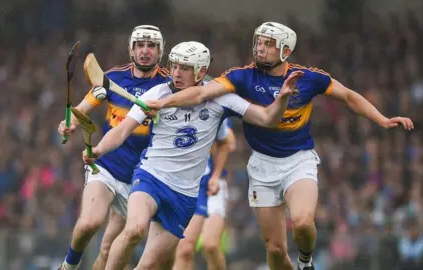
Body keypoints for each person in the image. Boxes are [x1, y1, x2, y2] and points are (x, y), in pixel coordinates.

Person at [143, 22, 414, 270]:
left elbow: (349, 96)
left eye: (268, 43)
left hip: (299, 160)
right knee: (274, 250)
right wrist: (164, 102)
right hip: (262, 166)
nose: (260, 47)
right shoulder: (241, 77)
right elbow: (201, 92)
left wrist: (382, 119)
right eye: (259, 41)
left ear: (285, 49)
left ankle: (305, 261)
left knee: (303, 221)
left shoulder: (307, 77)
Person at [82, 41, 302, 270]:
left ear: (201, 71)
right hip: (150, 177)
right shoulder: (156, 93)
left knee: (147, 265)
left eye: (184, 68)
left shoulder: (220, 98)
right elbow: (121, 131)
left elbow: (267, 118)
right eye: (174, 66)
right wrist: (98, 150)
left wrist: (283, 97)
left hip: (185, 194)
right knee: (135, 229)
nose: (176, 73)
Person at [57, 25, 169, 270]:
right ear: (131, 49)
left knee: (109, 251)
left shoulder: (169, 86)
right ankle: (68, 266)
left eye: (151, 46)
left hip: (143, 180)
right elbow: (82, 109)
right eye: (140, 45)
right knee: (89, 223)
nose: (145, 51)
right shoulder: (112, 78)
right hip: (106, 168)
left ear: (160, 51)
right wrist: (69, 123)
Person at [171, 117, 235, 270]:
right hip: (188, 185)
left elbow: (230, 143)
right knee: (185, 249)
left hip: (214, 184)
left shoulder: (216, 108)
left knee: (210, 245)